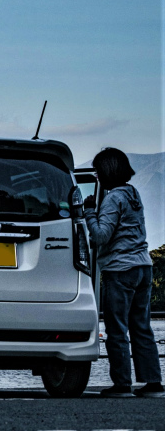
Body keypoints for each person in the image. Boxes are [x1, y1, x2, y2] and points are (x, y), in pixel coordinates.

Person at [83, 147, 163, 397]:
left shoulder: (113, 198)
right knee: (141, 327)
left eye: (97, 171)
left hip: (120, 269)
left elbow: (100, 236)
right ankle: (153, 383)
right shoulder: (133, 194)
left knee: (117, 329)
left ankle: (122, 385)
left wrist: (88, 213)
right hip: (143, 267)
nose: (96, 176)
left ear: (107, 171)